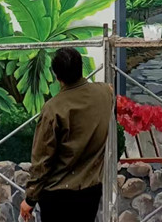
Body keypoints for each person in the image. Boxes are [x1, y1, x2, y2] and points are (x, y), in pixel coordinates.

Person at [20, 48, 113, 222]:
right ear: (81, 68)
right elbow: (110, 88)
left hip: (58, 195)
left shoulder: (53, 108)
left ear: (56, 76)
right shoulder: (105, 94)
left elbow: (42, 160)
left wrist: (30, 199)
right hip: (90, 191)